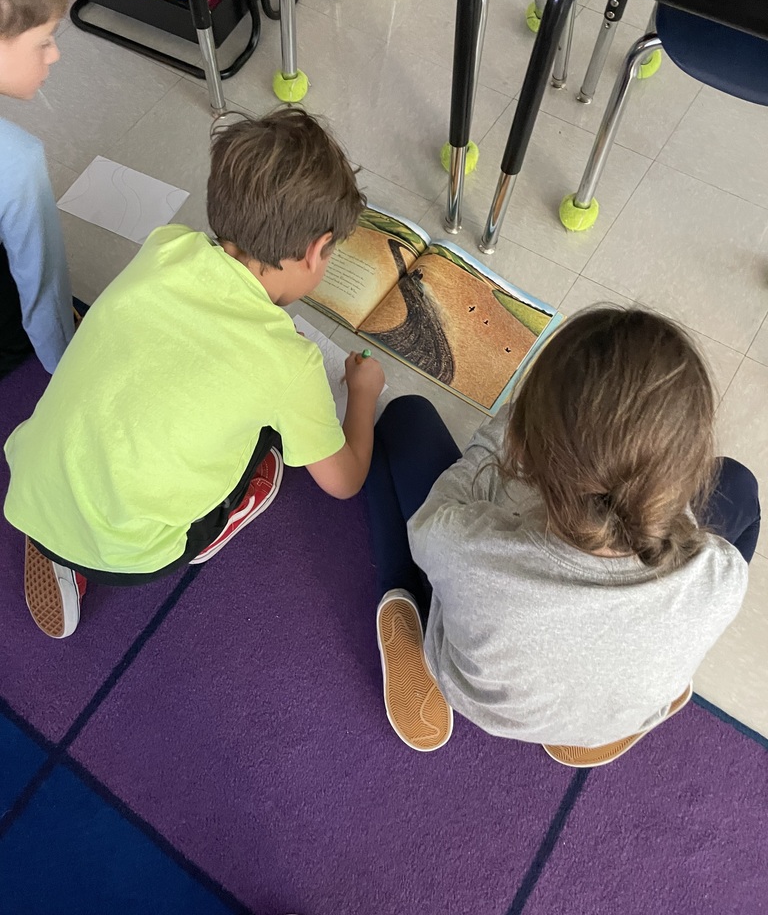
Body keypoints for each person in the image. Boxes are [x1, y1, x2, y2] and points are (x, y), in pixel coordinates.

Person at [4, 108, 384, 639]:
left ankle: (56, 536)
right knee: (265, 439)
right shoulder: (289, 365)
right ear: (319, 252)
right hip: (138, 555)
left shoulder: (167, 246)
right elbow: (345, 481)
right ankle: (222, 514)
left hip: (34, 481)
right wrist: (362, 395)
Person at [365, 308, 759, 763]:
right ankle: (614, 710)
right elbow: (687, 510)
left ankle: (400, 604)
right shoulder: (722, 577)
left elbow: (437, 512)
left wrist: (504, 430)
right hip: (622, 709)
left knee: (405, 417)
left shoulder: (465, 546)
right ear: (686, 468)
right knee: (741, 487)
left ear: (529, 452)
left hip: (482, 694)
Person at [0, 0, 75, 379]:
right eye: (44, 40)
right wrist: (67, 368)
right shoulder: (15, 161)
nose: (55, 53)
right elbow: (44, 285)